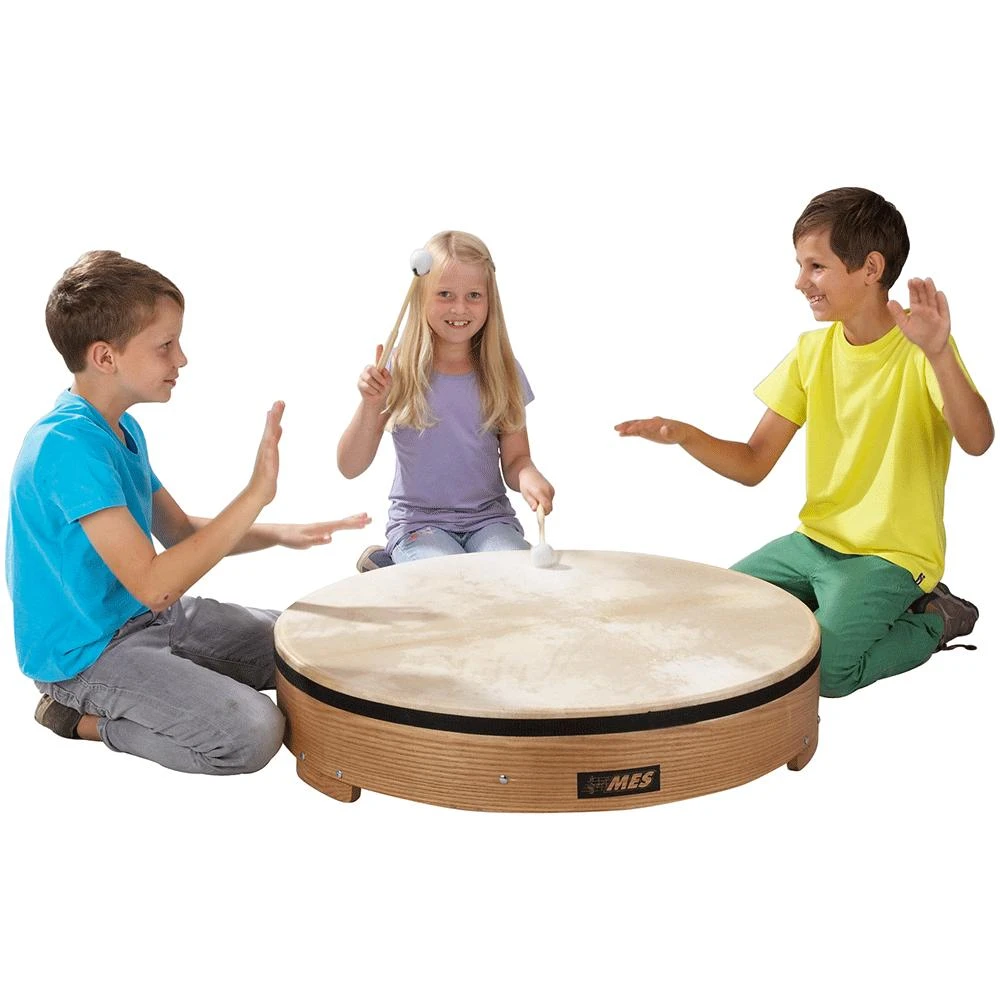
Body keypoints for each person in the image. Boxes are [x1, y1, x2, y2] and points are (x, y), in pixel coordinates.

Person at [615, 188, 993, 698]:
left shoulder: (922, 351)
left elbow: (978, 441)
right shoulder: (811, 352)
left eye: (816, 266)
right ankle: (830, 612)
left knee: (824, 672)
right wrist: (686, 436)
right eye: (800, 266)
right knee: (711, 618)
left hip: (890, 557)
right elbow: (753, 463)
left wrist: (940, 355)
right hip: (813, 543)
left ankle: (934, 618)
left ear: (871, 268)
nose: (800, 282)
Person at [7, 251, 370, 772]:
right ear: (106, 357)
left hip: (153, 620)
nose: (181, 359)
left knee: (312, 648)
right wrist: (254, 494)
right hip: (86, 656)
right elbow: (154, 584)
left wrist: (277, 531)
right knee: (254, 733)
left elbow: (177, 531)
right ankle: (78, 719)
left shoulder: (118, 428)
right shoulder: (66, 448)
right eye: (165, 346)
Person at [338, 230, 554, 566]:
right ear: (421, 296)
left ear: (490, 300)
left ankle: (395, 572)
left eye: (473, 295)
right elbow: (349, 466)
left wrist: (528, 474)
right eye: (444, 294)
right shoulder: (398, 368)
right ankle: (399, 567)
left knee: (512, 576)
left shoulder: (503, 370)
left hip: (489, 522)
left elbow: (516, 459)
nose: (459, 307)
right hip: (419, 525)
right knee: (451, 577)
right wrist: (370, 405)